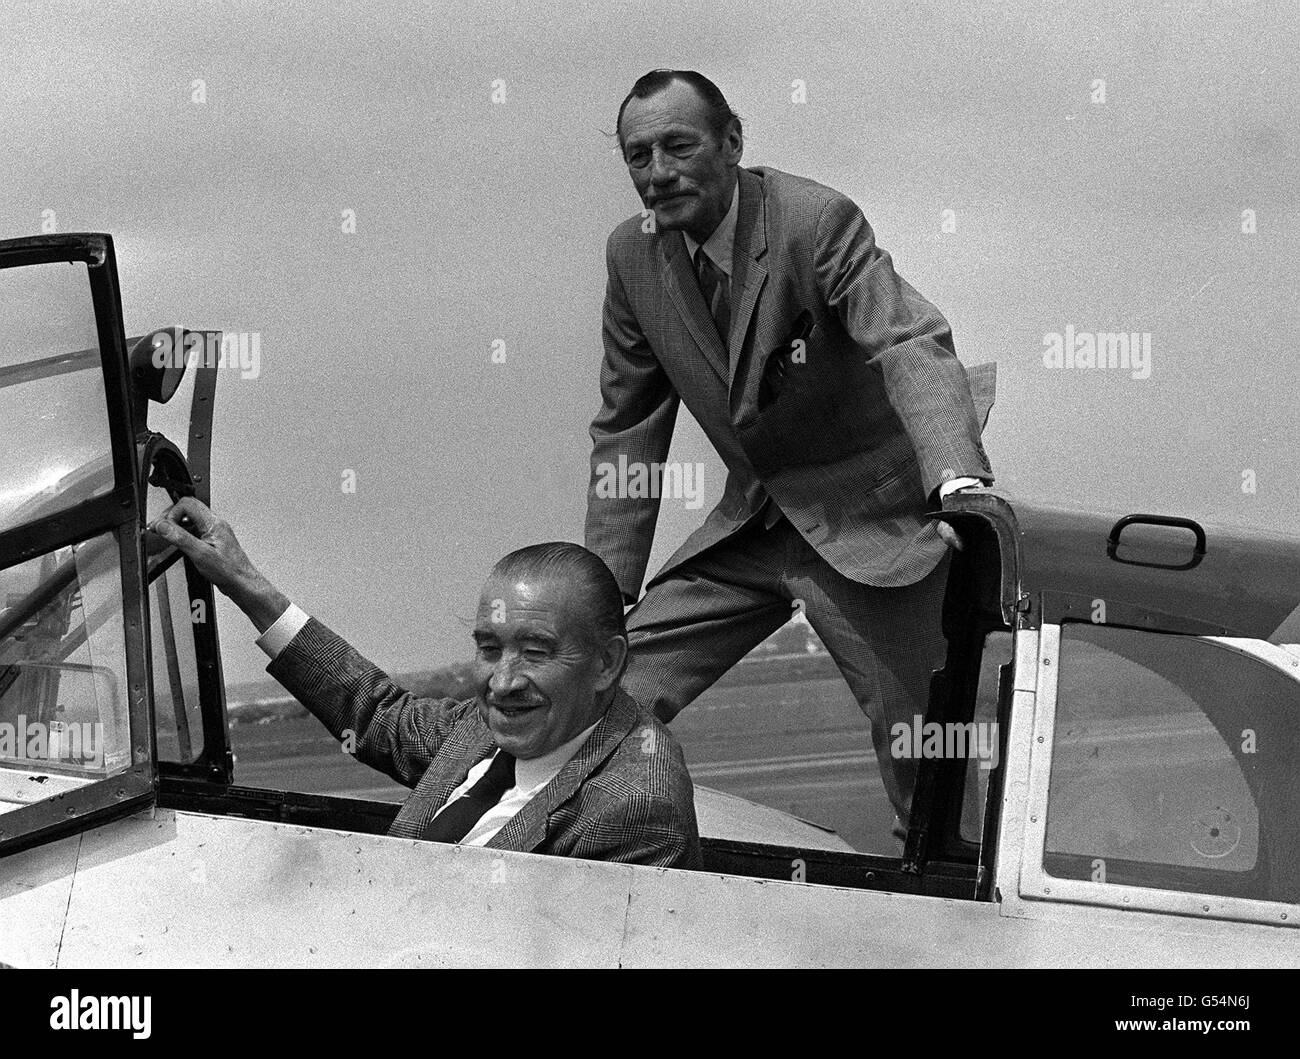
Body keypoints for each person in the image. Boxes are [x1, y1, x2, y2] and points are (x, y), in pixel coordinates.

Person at [585, 70, 995, 838]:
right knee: (593, 690)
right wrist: (598, 596)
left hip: (878, 519)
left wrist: (959, 483)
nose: (659, 173)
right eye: (638, 156)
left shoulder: (815, 220)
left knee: (931, 767)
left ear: (732, 141)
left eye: (679, 146)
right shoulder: (632, 258)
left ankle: (960, 924)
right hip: (756, 522)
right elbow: (627, 427)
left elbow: (906, 341)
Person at [151, 498, 701, 870]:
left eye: (535, 651)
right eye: (488, 648)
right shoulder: (480, 730)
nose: (502, 682)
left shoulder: (637, 803)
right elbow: (372, 712)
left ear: (606, 663)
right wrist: (244, 583)